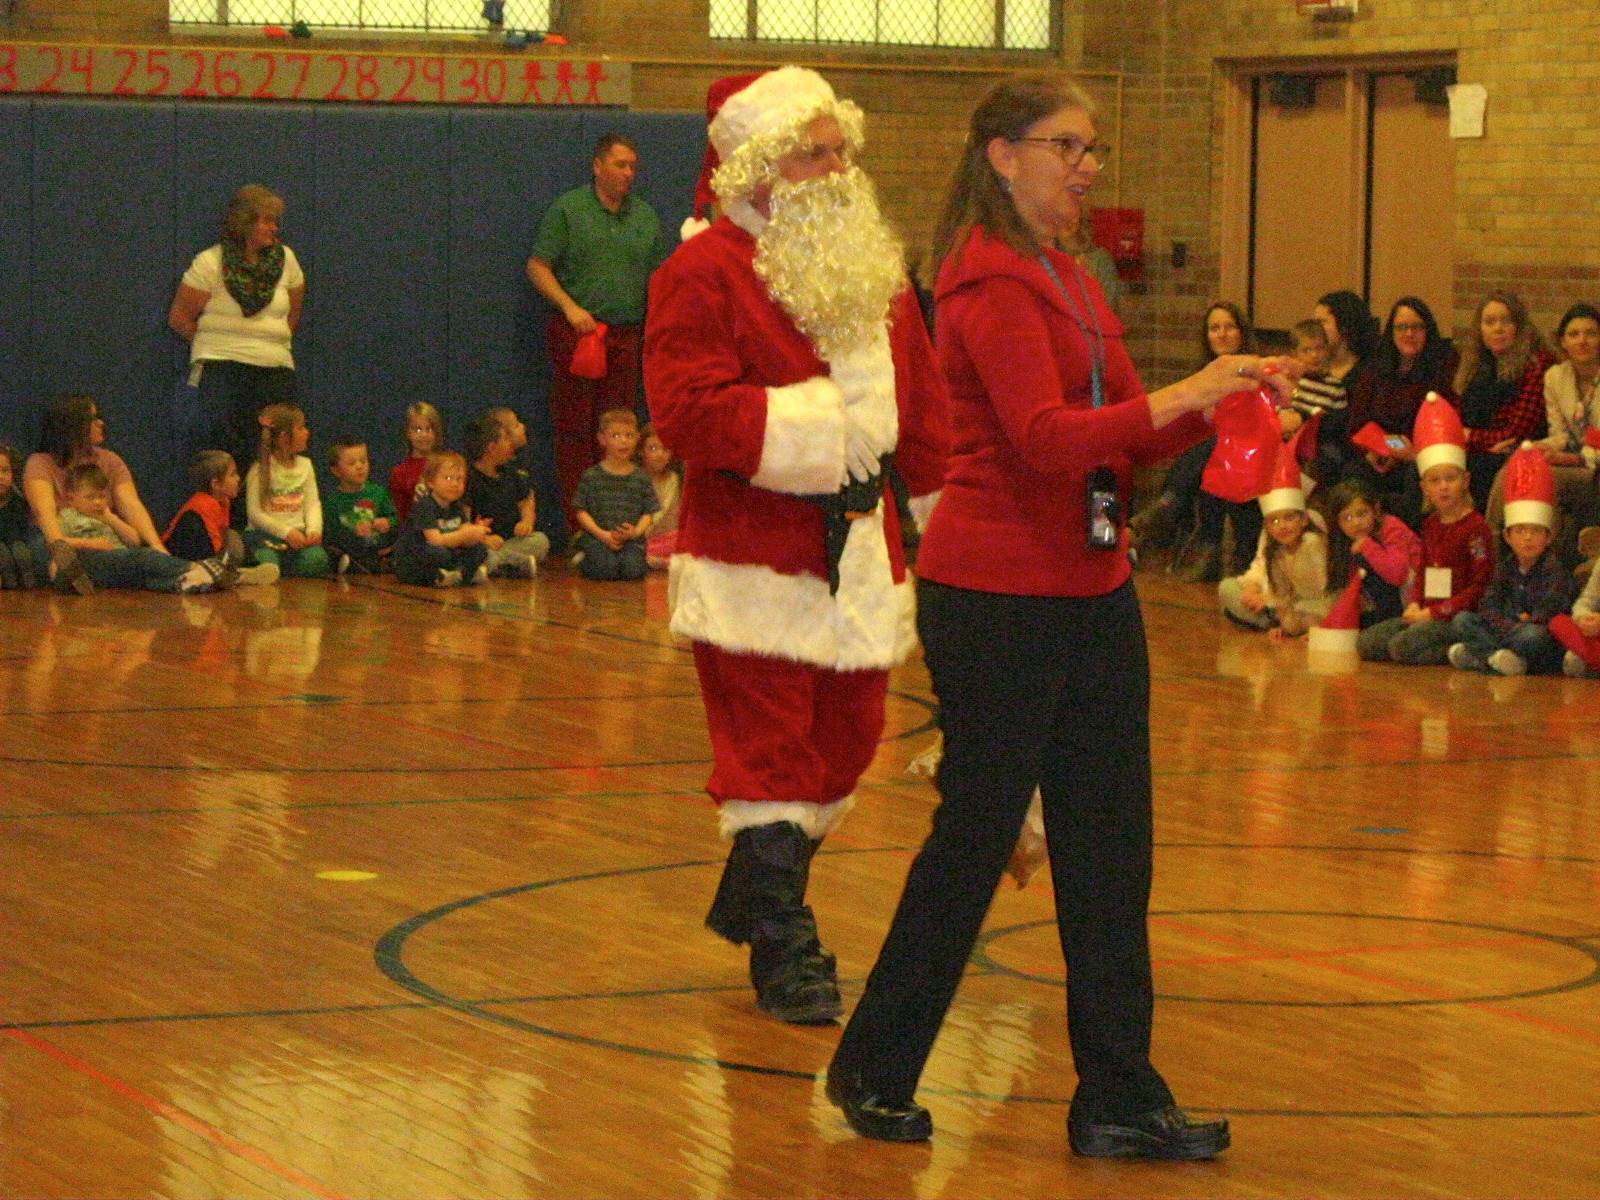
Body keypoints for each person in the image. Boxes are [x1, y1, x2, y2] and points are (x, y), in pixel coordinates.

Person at [825, 72, 1293, 1157]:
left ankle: (1119, 1096)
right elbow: (1042, 439)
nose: (1086, 166)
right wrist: (1183, 394)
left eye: (1090, 149)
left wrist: (1222, 400)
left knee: (1110, 845)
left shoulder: (1073, 280)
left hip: (1090, 590)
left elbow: (1124, 432)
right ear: (1003, 155)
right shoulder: (985, 281)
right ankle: (874, 1065)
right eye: (1066, 146)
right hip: (994, 595)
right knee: (976, 835)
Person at [644, 67, 950, 1027]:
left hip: (865, 551)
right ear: (762, 167)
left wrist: (954, 530)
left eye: (840, 147)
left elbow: (929, 413)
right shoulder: (699, 273)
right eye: (817, 150)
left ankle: (751, 892)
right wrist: (824, 429)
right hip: (753, 552)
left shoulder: (875, 271)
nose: (838, 165)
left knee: (849, 743)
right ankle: (783, 943)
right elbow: (689, 411)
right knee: (768, 751)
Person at [527, 133, 671, 531]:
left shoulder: (644, 216)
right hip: (580, 334)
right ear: (597, 165)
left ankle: (620, 523)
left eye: (632, 167)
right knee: (575, 430)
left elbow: (659, 276)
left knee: (620, 430)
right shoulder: (570, 210)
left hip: (627, 335)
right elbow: (538, 266)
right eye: (620, 165)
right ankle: (580, 529)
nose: (628, 174)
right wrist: (570, 308)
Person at [168, 184, 306, 498]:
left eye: (276, 221)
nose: (275, 228)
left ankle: (267, 526)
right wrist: (218, 345)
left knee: (274, 451)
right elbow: (179, 318)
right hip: (223, 371)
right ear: (245, 223)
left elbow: (293, 316)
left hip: (274, 372)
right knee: (225, 450)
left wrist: (267, 344)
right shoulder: (210, 263)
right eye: (267, 221)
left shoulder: (287, 262)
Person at [1358, 395, 1493, 665]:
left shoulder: (1476, 527)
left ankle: (1461, 649)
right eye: (1435, 480)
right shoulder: (1431, 524)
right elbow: (1423, 569)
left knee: (1401, 648)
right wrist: (1415, 603)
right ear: (1425, 488)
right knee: (1367, 643)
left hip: (1455, 615)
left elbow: (1480, 585)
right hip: (1427, 611)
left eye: (1450, 479)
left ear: (1465, 481)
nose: (1443, 487)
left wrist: (1436, 613)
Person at [1127, 301, 1255, 565]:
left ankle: (1168, 506)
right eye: (1214, 328)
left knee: (1211, 445)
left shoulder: (1253, 369)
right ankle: (1201, 547)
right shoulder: (1203, 375)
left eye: (1229, 327)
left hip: (1248, 446)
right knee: (1207, 459)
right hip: (1216, 453)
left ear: (1241, 332)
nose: (1221, 334)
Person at [23, 394, 172, 595]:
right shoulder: (40, 462)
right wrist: (60, 552)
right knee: (136, 562)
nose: (101, 423)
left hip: (101, 535)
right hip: (56, 538)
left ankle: (192, 574)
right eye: (93, 419)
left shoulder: (110, 460)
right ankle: (193, 573)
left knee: (141, 557)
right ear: (74, 425)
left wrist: (157, 546)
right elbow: (44, 513)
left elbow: (131, 504)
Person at [1487, 302, 1600, 566]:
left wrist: (1573, 459)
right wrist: (1539, 447)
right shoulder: (1555, 377)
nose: (1582, 341)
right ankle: (1497, 550)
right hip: (1573, 462)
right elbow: (1560, 433)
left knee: (1542, 476)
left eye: (1591, 333)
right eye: (1574, 334)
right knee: (1514, 467)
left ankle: (1544, 568)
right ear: (1562, 342)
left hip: (1594, 467)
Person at [1449, 446, 1573, 676]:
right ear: (1507, 536)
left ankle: (1484, 656)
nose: (1527, 538)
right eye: (1521, 531)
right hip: (1506, 630)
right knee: (1463, 620)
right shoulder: (1504, 567)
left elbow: (1548, 615)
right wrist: (1506, 626)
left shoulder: (1554, 570)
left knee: (1534, 637)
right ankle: (1500, 659)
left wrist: (1510, 626)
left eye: (1536, 531)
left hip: (1531, 636)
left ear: (1548, 537)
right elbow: (1488, 605)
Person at [1342, 297, 1459, 526]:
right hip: (1380, 451)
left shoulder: (1441, 368)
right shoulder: (1375, 368)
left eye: (1416, 327)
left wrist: (1412, 453)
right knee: (1353, 471)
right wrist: (1375, 449)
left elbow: (1442, 420)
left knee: (1415, 475)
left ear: (1427, 331)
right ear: (1391, 331)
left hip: (1420, 454)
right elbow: (1357, 422)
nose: (1409, 334)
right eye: (1402, 327)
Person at [52, 463, 234, 595]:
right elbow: (59, 543)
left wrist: (111, 519)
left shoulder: (107, 516)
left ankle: (190, 581)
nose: (98, 502)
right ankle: (198, 567)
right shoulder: (68, 516)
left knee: (147, 579)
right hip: (98, 561)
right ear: (71, 498)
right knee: (146, 557)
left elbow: (134, 540)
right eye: (90, 497)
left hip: (122, 559)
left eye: (101, 496)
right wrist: (92, 544)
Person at [1455, 290, 1554, 513]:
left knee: (1476, 470)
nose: (1497, 328)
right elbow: (1457, 425)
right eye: (1489, 322)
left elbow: (1517, 432)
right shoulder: (1475, 365)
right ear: (1480, 329)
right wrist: (1475, 440)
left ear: (1519, 326)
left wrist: (1472, 437)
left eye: (1506, 321)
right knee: (1426, 468)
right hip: (1480, 450)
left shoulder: (1536, 364)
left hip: (1520, 452)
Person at [1217, 466, 1330, 640]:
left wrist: (1269, 600)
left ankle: (1267, 620)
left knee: (1305, 618)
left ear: (1304, 519)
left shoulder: (1311, 542)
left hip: (1318, 605)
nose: (1282, 526)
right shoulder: (1275, 546)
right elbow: (1268, 574)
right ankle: (1274, 621)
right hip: (1285, 604)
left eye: (1289, 518)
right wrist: (1253, 588)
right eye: (1274, 521)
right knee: (1228, 588)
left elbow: (1325, 588)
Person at [163, 450, 278, 585]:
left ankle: (236, 573)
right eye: (232, 474)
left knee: (233, 537)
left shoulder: (223, 501)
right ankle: (235, 576)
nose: (238, 478)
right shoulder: (205, 504)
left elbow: (223, 535)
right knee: (229, 542)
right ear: (215, 484)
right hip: (180, 558)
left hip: (206, 554)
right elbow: (212, 547)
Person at [1320, 477, 1420, 630]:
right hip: (1386, 606)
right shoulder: (1347, 542)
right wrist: (1327, 627)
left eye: (1362, 514)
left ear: (1376, 509)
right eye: (1347, 518)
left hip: (1414, 601)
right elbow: (1347, 592)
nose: (1356, 522)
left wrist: (1368, 545)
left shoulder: (1391, 528)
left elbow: (1398, 575)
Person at [1300, 289, 1377, 486]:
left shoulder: (1366, 373)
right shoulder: (1310, 367)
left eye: (1322, 322)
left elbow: (1349, 425)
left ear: (1344, 327)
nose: (1315, 330)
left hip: (1337, 452)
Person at [245, 403, 330, 578]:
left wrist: (314, 530)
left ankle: (284, 572)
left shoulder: (306, 465)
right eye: (301, 428)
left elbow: (312, 503)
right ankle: (269, 570)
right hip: (266, 538)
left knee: (318, 559)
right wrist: (286, 532)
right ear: (284, 438)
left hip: (298, 540)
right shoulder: (260, 469)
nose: (307, 432)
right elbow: (255, 513)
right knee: (267, 559)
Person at [572, 408, 658, 581]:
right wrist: (602, 534)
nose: (623, 441)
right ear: (602, 439)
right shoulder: (592, 476)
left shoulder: (641, 477)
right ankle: (584, 559)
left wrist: (635, 532)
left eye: (629, 435)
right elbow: (581, 511)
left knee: (633, 571)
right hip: (599, 538)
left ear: (637, 439)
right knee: (605, 570)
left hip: (631, 541)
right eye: (616, 436)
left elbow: (648, 513)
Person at [464, 410, 549, 577]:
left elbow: (525, 502)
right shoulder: (469, 478)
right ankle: (509, 563)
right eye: (505, 439)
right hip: (482, 542)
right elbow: (464, 521)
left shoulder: (510, 472)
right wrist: (484, 539)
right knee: (471, 550)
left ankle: (500, 562)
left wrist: (526, 521)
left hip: (509, 541)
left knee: (540, 541)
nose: (510, 443)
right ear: (491, 448)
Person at [392, 451, 490, 587]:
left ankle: (461, 574)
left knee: (479, 549)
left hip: (446, 550)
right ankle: (442, 575)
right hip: (416, 559)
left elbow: (463, 532)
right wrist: (463, 536)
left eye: (460, 479)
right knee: (437, 552)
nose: (455, 484)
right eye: (448, 478)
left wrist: (475, 532)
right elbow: (435, 540)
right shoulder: (425, 506)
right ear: (431, 482)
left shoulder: (457, 507)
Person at [323, 439, 399, 575]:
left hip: (380, 550)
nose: (359, 467)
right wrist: (353, 533)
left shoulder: (378, 492)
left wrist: (387, 523)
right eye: (352, 463)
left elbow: (395, 518)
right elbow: (331, 535)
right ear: (336, 470)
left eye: (363, 461)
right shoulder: (333, 501)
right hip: (353, 553)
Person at [390, 402, 445, 527]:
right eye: (417, 429)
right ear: (408, 433)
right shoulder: (400, 472)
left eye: (429, 429)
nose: (424, 435)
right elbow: (400, 515)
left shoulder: (447, 464)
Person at [638, 423, 682, 568]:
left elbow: (659, 514)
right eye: (653, 448)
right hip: (641, 537)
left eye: (665, 449)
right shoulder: (635, 477)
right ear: (641, 451)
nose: (660, 454)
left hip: (669, 537)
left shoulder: (672, 479)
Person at [0, 442, 39, 589]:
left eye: (5, 471)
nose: (1, 477)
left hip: (15, 542)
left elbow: (22, 527)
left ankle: (27, 583)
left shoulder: (18, 502)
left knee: (20, 550)